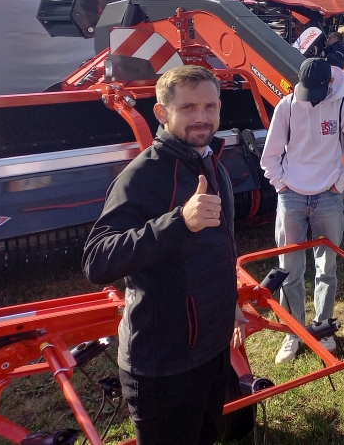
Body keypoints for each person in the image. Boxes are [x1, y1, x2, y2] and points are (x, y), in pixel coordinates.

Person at [83, 65, 247, 445]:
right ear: (162, 113)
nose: (202, 118)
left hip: (211, 348)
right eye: (188, 108)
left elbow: (220, 249)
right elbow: (97, 261)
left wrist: (232, 302)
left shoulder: (212, 163)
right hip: (163, 364)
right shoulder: (143, 176)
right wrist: (178, 222)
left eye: (209, 106)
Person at [260, 58, 344, 362]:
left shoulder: (343, 106)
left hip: (328, 199)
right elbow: (269, 155)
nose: (310, 98)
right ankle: (293, 332)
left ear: (329, 84)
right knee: (289, 269)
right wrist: (282, 186)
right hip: (291, 197)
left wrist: (336, 187)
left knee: (327, 268)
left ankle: (322, 327)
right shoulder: (288, 105)